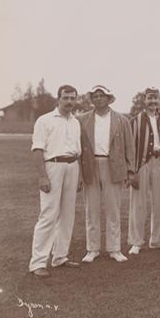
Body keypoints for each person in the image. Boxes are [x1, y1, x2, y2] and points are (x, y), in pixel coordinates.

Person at [28, 85, 83, 278]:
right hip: (53, 166)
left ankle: (60, 257)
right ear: (58, 99)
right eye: (65, 98)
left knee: (67, 214)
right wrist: (42, 176)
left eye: (72, 98)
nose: (69, 101)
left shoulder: (75, 122)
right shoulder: (44, 120)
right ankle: (37, 263)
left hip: (72, 166)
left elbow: (77, 151)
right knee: (48, 214)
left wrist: (79, 175)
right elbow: (37, 150)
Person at [78, 85, 136, 264]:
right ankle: (92, 249)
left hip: (114, 166)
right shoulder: (82, 119)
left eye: (101, 95)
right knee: (91, 209)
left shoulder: (122, 120)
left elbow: (129, 146)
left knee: (113, 209)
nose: (98, 98)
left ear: (109, 98)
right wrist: (79, 173)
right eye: (95, 96)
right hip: (90, 165)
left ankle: (114, 249)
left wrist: (131, 170)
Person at [128, 87, 160, 255]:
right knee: (138, 204)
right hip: (142, 163)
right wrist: (132, 171)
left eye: (155, 98)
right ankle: (136, 242)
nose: (153, 101)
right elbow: (130, 147)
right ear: (144, 100)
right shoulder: (135, 120)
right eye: (150, 98)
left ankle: (158, 240)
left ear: (159, 100)